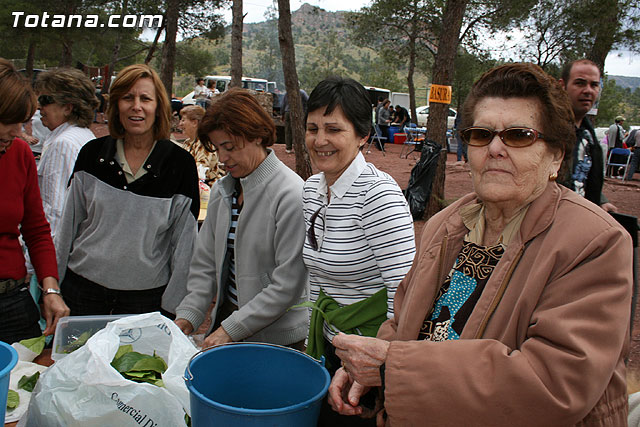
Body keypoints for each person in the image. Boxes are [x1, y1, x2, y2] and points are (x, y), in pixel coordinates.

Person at [328, 63, 633, 425]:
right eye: (481, 134)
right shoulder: (447, 224)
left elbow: (554, 383)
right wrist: (366, 369)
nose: (495, 149)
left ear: (556, 156)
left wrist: (391, 368)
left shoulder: (595, 241)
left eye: (518, 135)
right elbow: (404, 320)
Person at [303, 76, 415, 426]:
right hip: (329, 349)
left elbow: (406, 295)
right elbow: (315, 277)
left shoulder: (378, 197)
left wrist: (374, 366)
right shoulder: (311, 190)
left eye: (334, 129)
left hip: (368, 361)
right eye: (312, 128)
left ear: (363, 135)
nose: (320, 140)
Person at [55, 64, 199, 318]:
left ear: (159, 107)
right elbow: (68, 226)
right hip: (81, 292)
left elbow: (184, 246)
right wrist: (54, 288)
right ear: (115, 105)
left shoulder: (180, 165)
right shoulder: (92, 155)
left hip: (145, 301)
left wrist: (174, 307)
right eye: (127, 98)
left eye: (145, 98)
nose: (136, 106)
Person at [174, 88, 309, 349]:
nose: (223, 158)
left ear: (257, 136)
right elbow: (204, 264)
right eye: (217, 148)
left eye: (230, 147)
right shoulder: (223, 191)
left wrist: (230, 330)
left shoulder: (291, 194)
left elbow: (286, 286)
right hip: (228, 321)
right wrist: (188, 316)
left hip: (276, 338)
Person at [0, 58, 69, 343]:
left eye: (22, 122)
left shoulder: (19, 154)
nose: (18, 132)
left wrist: (50, 288)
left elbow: (37, 230)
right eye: (7, 121)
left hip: (11, 301)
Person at [34, 68, 98, 242]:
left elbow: (55, 212)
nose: (39, 107)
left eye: (45, 100)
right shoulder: (84, 136)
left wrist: (36, 264)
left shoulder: (62, 144)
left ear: (68, 108)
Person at [558, 59, 617, 212]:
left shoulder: (588, 136)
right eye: (580, 83)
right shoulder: (547, 130)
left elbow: (580, 176)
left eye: (594, 85)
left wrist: (601, 201)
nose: (588, 90)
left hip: (580, 218)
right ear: (562, 86)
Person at [176, 104, 225, 186]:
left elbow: (200, 170)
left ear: (194, 123)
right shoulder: (187, 143)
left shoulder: (205, 143)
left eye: (183, 120)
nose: (180, 124)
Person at [280, 88, 309, 154]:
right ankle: (298, 147)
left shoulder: (287, 93)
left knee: (288, 131)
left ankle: (288, 148)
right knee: (298, 130)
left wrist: (282, 114)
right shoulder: (302, 93)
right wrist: (305, 112)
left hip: (287, 112)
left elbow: (283, 104)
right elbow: (308, 102)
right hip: (298, 113)